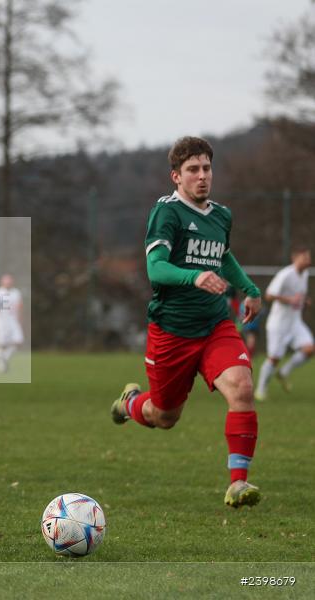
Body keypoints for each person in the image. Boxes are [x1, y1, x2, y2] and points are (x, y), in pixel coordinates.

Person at [109, 136, 263, 508]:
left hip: (214, 325)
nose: (202, 176)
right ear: (176, 176)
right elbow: (156, 269)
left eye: (207, 168)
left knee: (242, 388)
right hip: (172, 332)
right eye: (193, 169)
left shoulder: (221, 215)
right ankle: (131, 403)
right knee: (164, 416)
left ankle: (238, 483)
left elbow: (223, 257)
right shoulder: (167, 213)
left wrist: (249, 288)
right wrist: (194, 276)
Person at [254, 247, 312, 400]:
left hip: (295, 322)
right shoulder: (285, 274)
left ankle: (284, 372)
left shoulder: (305, 274)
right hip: (278, 324)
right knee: (274, 358)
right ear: (295, 258)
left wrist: (304, 301)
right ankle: (261, 390)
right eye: (305, 258)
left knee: (309, 349)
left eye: (309, 258)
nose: (308, 261)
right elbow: (268, 295)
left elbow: (298, 296)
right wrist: (289, 300)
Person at [0, 274, 23, 373]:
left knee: (18, 341)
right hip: (1, 321)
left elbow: (20, 307)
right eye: (6, 281)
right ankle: (1, 366)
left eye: (10, 281)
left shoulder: (16, 293)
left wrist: (20, 320)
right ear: (2, 282)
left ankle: (4, 358)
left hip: (13, 321)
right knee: (1, 345)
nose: (8, 283)